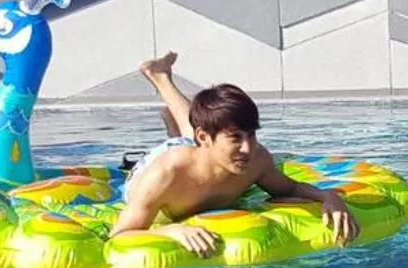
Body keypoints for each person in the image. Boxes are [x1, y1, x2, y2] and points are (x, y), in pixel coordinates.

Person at [112, 54, 357, 256]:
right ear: (203, 139)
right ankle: (160, 80)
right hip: (161, 163)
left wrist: (328, 197)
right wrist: (171, 231)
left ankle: (160, 75)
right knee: (187, 137)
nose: (247, 148)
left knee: (199, 130)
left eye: (251, 135)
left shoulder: (257, 159)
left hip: (200, 152)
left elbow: (290, 188)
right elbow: (119, 234)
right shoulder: (164, 175)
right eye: (236, 138)